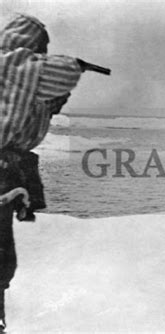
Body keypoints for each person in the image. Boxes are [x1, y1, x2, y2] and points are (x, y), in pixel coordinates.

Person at [0, 14, 96, 332]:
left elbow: (32, 112)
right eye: (39, 48)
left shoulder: (15, 83)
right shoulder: (15, 67)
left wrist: (55, 101)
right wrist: (71, 68)